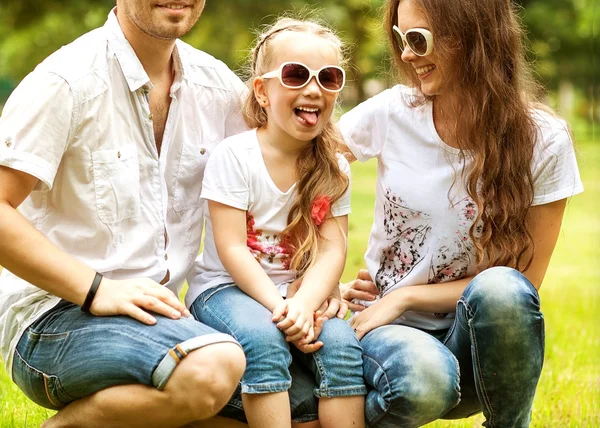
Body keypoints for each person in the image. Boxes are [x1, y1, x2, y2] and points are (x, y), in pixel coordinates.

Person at [0, 1, 255, 426]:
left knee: (290, 402)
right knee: (213, 369)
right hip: (55, 317)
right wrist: (97, 290)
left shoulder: (218, 89)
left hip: (159, 318)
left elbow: (284, 175)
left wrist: (318, 277)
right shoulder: (66, 81)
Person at [337, 0, 584, 427]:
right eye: (401, 40)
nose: (407, 55)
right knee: (426, 379)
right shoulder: (395, 111)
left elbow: (522, 286)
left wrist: (405, 295)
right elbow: (302, 165)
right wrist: (317, 278)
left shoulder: (545, 141)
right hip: (395, 342)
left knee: (504, 289)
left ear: (471, 37)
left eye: (418, 39)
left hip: (480, 353)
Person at [185, 17, 367, 428]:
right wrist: (283, 308)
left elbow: (332, 248)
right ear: (263, 91)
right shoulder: (234, 157)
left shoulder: (334, 166)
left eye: (329, 77)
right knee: (264, 340)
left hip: (297, 292)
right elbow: (232, 249)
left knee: (340, 345)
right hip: (224, 289)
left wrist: (304, 304)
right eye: (296, 74)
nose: (313, 88)